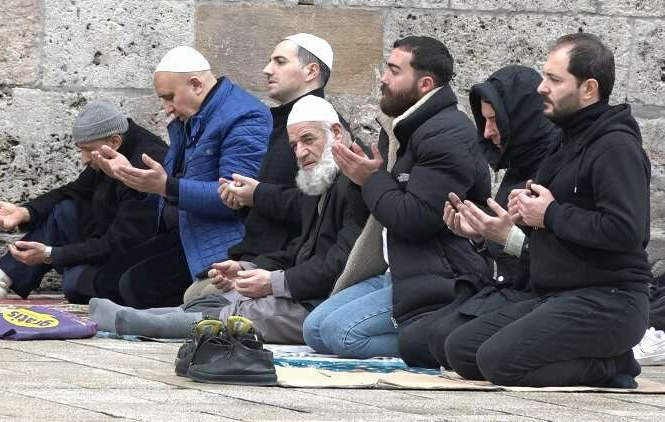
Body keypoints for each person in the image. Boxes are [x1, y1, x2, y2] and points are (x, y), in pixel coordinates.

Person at [444, 33, 652, 389]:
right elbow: (552, 221)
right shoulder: (566, 140)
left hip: (610, 301)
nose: (541, 88)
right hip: (559, 295)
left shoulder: (616, 146)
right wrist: (512, 220)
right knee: (460, 349)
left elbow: (627, 230)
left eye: (554, 80)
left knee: (497, 362)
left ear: (589, 89)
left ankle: (612, 365)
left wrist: (550, 213)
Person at [89, 96, 362, 344]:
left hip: (325, 301)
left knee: (241, 313)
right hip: (304, 287)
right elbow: (299, 250)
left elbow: (340, 263)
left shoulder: (355, 184)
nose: (300, 152)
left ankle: (144, 324)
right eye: (295, 145)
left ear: (336, 133)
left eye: (308, 140)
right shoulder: (320, 181)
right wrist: (246, 268)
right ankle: (144, 317)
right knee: (221, 296)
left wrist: (274, 282)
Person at [302, 36, 491, 358]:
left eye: (394, 71)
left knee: (341, 334)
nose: (383, 79)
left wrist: (371, 179)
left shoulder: (446, 134)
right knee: (315, 330)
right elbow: (376, 216)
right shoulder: (399, 128)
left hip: (444, 275)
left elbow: (416, 219)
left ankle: (446, 338)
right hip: (399, 271)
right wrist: (360, 184)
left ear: (425, 84)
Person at [397, 65, 560, 368]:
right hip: (506, 287)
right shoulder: (518, 164)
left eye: (495, 120)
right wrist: (480, 234)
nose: (487, 132)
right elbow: (509, 246)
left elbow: (555, 257)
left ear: (521, 117)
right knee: (413, 342)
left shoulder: (552, 166)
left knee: (446, 342)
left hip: (541, 297)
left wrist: (506, 237)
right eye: (484, 121)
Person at [93, 46, 271, 309]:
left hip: (220, 242)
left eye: (169, 97)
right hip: (186, 232)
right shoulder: (191, 117)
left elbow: (235, 198)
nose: (167, 108)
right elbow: (171, 186)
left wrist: (165, 186)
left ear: (196, 85)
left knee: (135, 286)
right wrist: (131, 177)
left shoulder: (245, 116)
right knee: (105, 280)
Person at [0, 101, 168, 303]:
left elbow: (121, 241)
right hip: (104, 238)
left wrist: (52, 254)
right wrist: (24, 212)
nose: (83, 160)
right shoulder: (108, 150)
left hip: (135, 256)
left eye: (88, 150)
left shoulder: (144, 163)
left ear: (115, 141)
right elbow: (74, 192)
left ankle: (14, 277)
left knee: (74, 284)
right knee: (65, 210)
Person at [183, 33, 336, 303]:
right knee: (194, 294)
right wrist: (239, 199)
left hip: (287, 266)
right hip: (256, 256)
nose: (267, 69)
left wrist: (256, 195)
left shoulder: (326, 130)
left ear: (311, 71)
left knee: (203, 300)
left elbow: (318, 208)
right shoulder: (277, 124)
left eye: (280, 61)